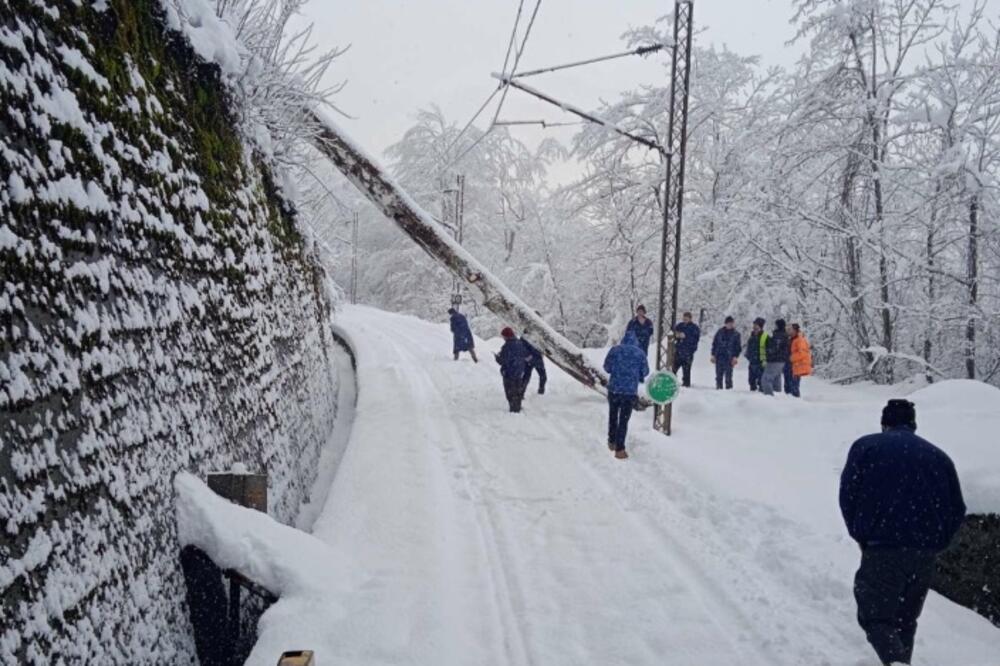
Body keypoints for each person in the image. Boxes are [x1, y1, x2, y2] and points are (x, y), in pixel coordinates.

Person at [839, 400, 965, 666]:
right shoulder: (939, 457)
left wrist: (862, 535)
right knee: (905, 620)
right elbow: (956, 508)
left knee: (876, 618)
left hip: (882, 547)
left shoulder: (867, 447)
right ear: (913, 425)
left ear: (884, 423)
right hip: (924, 553)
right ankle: (901, 661)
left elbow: (849, 496)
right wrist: (935, 544)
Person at [602, 331, 649, 460]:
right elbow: (645, 372)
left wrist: (617, 370)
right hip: (629, 392)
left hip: (614, 389)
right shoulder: (639, 353)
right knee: (623, 420)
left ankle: (611, 441)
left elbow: (606, 367)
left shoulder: (615, 350)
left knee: (613, 415)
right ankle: (620, 448)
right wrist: (635, 375)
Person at [495, 328, 530, 413]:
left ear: (506, 336)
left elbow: (502, 360)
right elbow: (527, 355)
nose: (503, 338)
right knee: (518, 389)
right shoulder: (520, 343)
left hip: (509, 372)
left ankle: (513, 408)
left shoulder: (507, 346)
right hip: (519, 371)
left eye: (503, 336)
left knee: (510, 391)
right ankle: (518, 406)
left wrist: (497, 358)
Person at [710, 316, 742, 390]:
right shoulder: (719, 332)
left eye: (731, 323)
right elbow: (715, 344)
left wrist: (735, 357)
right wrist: (713, 355)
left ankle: (729, 391)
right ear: (725, 323)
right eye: (728, 323)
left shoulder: (736, 334)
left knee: (728, 376)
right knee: (718, 376)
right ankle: (718, 389)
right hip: (719, 356)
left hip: (729, 358)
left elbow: (738, 347)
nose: (730, 325)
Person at [760, 319, 790, 396]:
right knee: (776, 379)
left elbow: (774, 348)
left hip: (775, 360)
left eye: (775, 325)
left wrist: (768, 350)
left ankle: (769, 397)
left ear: (778, 326)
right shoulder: (784, 335)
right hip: (781, 360)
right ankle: (778, 397)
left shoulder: (778, 336)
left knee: (766, 379)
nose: (774, 326)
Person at [672, 312, 701, 388]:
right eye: (684, 318)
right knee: (673, 369)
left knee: (686, 371)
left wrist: (686, 336)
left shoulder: (694, 328)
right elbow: (673, 333)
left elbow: (695, 339)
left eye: (687, 318)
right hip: (679, 351)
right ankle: (672, 382)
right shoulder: (680, 326)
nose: (685, 319)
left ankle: (686, 384)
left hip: (688, 352)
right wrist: (676, 335)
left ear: (690, 318)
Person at [787, 323, 812, 398]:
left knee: (794, 385)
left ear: (795, 330)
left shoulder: (800, 340)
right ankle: (794, 400)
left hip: (798, 365)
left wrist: (791, 358)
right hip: (794, 365)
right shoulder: (793, 339)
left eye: (790, 329)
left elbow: (802, 353)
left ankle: (796, 402)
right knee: (792, 384)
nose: (789, 330)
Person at [745, 318, 766, 391]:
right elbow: (748, 348)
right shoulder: (752, 337)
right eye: (754, 325)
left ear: (760, 327)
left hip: (761, 363)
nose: (754, 327)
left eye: (756, 325)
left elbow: (770, 349)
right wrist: (748, 356)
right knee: (751, 381)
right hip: (752, 362)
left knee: (761, 382)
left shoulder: (765, 336)